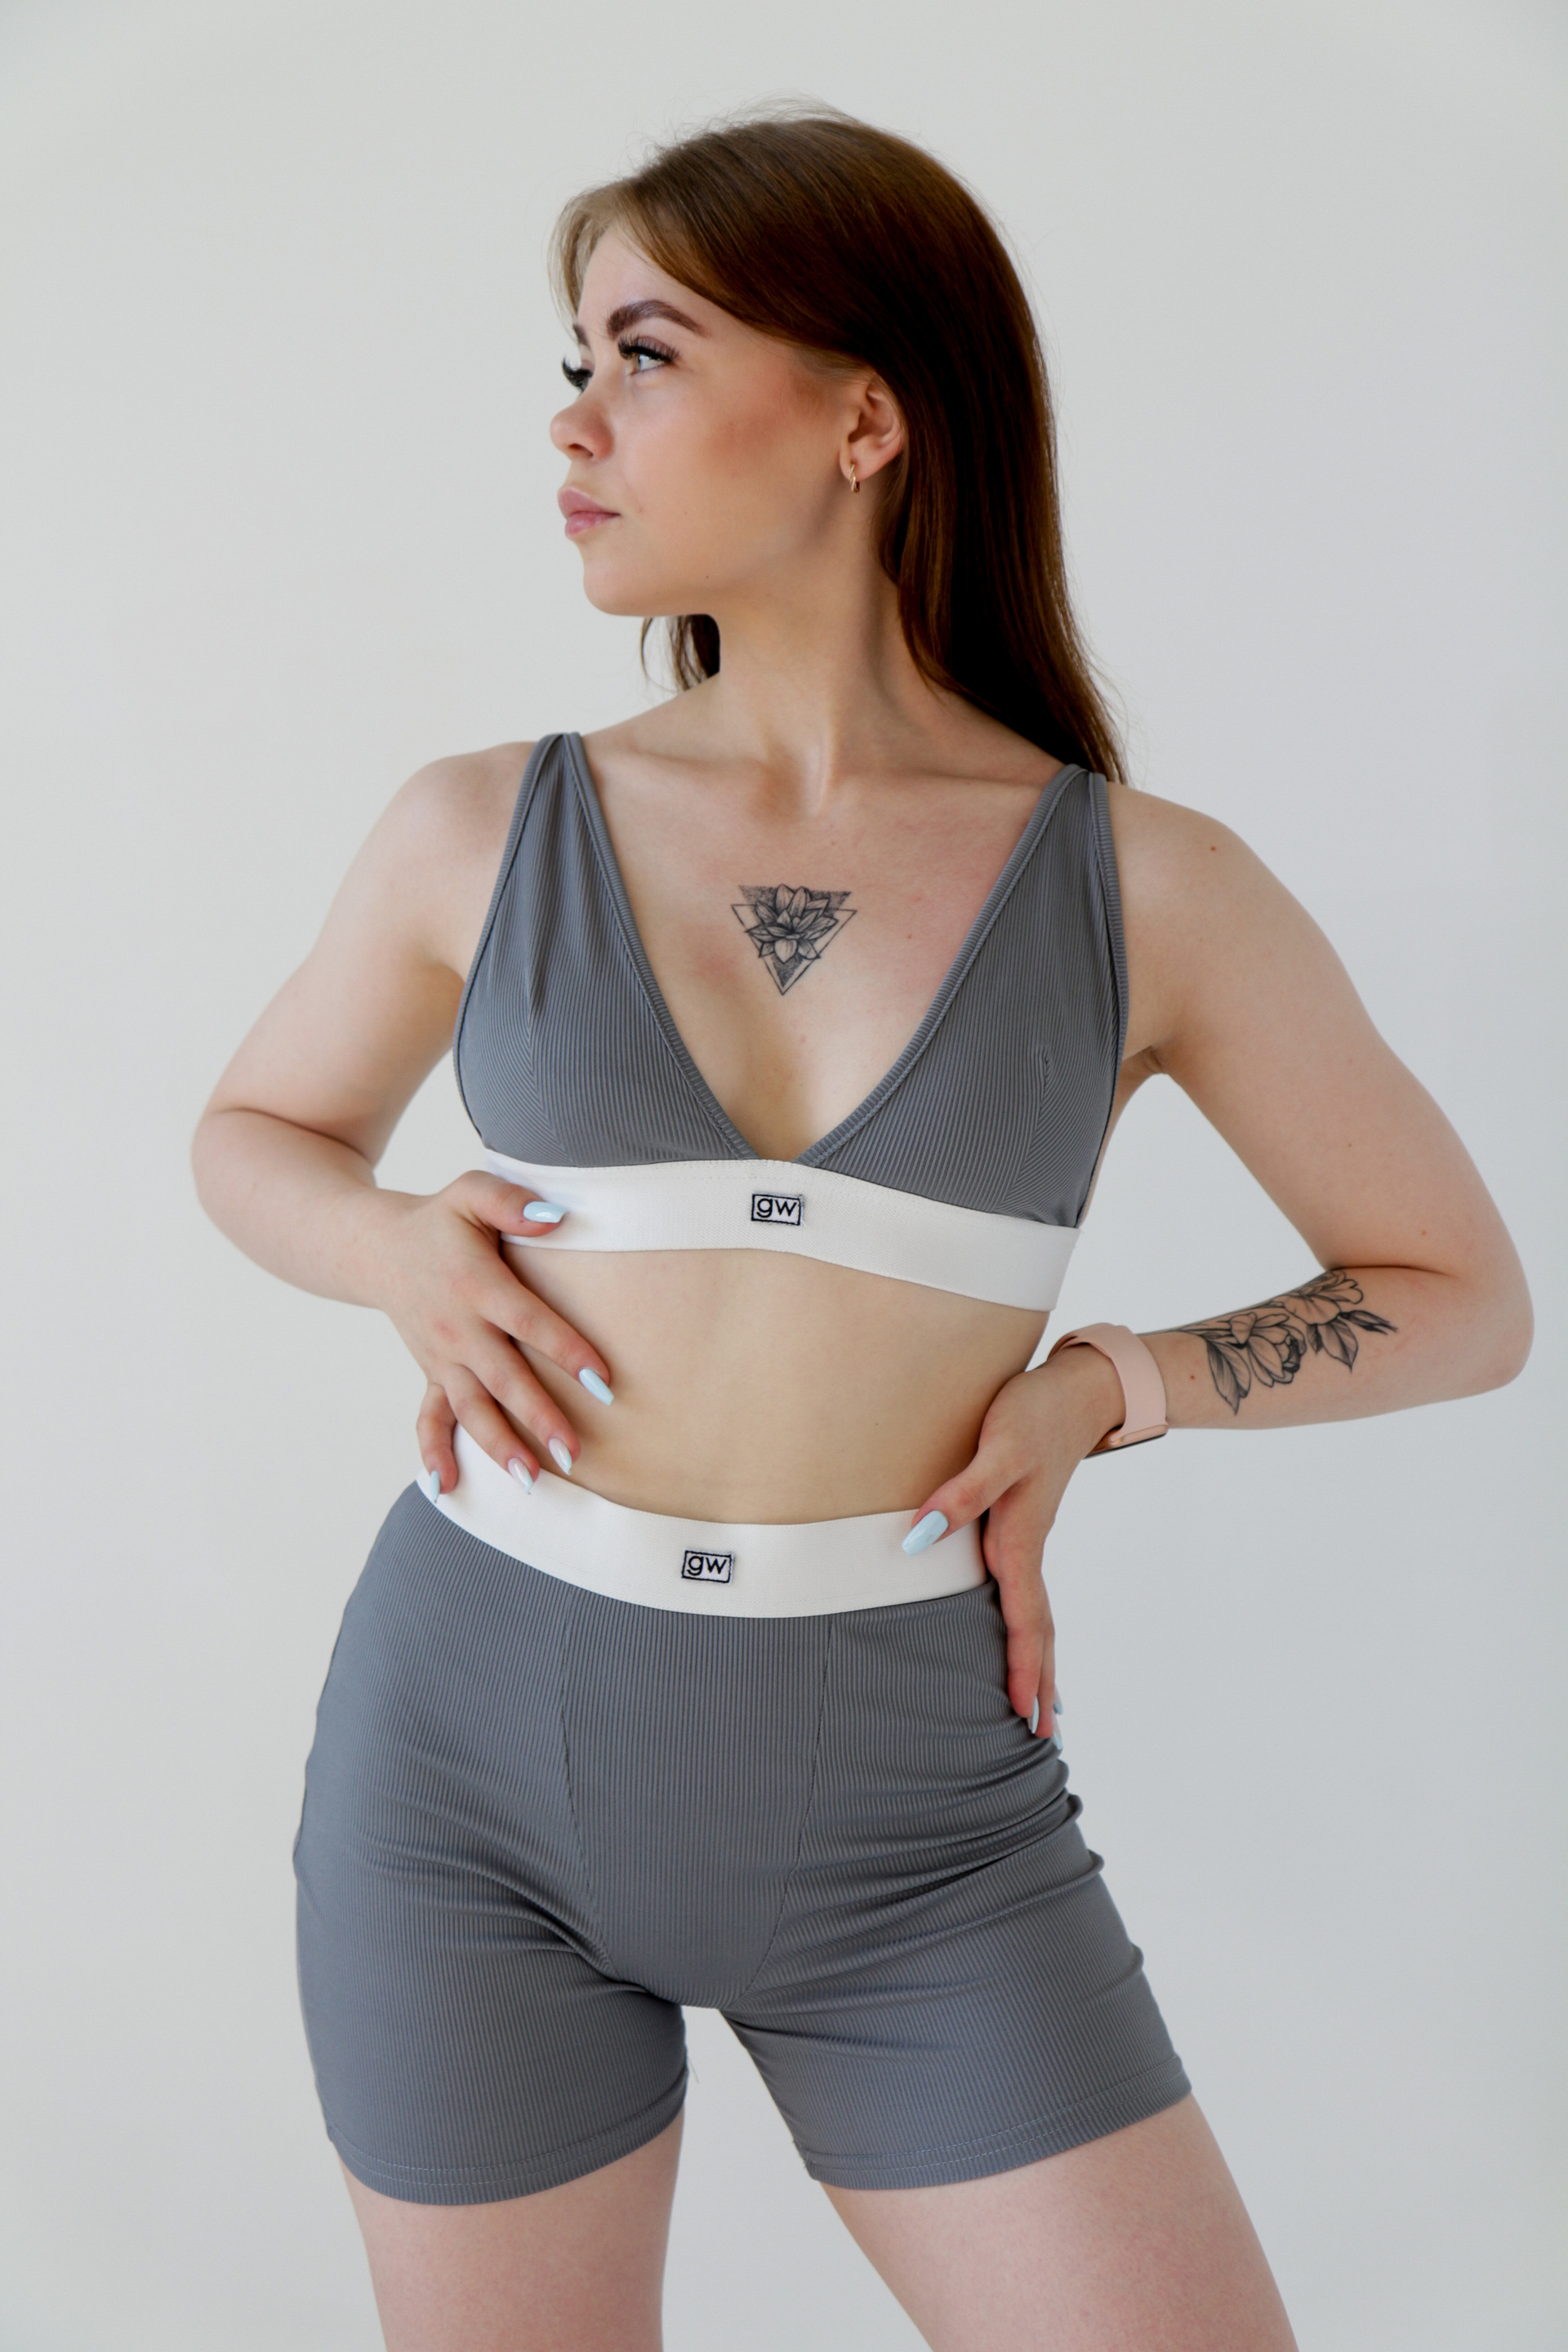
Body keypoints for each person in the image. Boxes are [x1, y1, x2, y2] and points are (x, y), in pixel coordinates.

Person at [191, 106, 1531, 2352]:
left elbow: (1462, 1297)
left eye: (642, 356)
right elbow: (254, 1132)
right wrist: (393, 1245)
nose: (572, 422)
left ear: (865, 418)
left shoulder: (1151, 890)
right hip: (462, 1778)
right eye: (572, 365)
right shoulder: (476, 828)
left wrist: (1116, 1388)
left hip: (917, 1828)